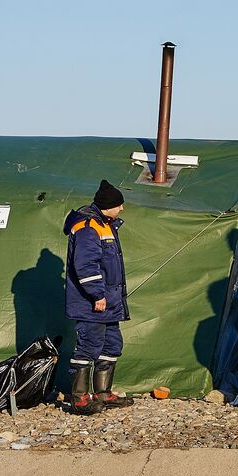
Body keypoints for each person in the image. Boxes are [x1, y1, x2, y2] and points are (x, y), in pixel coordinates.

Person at [63, 178, 132, 415]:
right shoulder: (88, 227)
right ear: (108, 205)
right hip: (92, 304)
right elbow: (85, 265)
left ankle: (103, 393)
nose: (122, 208)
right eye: (119, 204)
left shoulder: (106, 225)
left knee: (112, 344)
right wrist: (96, 295)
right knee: (88, 346)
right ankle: (79, 398)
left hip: (109, 303)